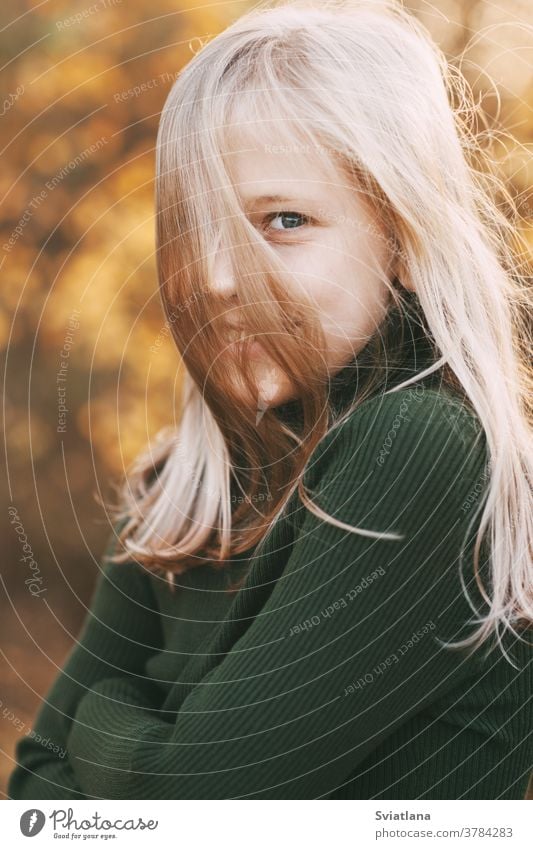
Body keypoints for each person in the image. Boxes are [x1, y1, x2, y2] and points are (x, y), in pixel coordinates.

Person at [8, 0, 532, 800]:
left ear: (402, 238)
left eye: (283, 221)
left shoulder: (421, 446)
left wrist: (102, 718)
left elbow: (200, 802)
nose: (218, 277)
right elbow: (36, 796)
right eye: (194, 227)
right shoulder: (177, 488)